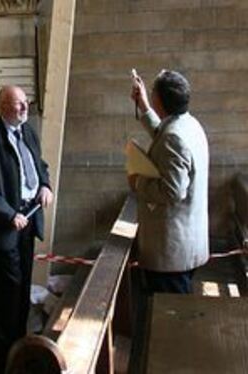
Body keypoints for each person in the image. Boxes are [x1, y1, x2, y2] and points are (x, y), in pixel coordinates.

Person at [128, 70, 209, 373]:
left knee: (171, 321)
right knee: (177, 314)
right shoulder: (188, 124)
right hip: (186, 243)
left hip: (171, 248)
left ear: (162, 99)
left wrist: (138, 181)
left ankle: (176, 365)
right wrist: (143, 105)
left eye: (153, 92)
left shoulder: (175, 135)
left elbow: (173, 190)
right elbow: (164, 136)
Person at [0, 85, 54, 373]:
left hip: (29, 222)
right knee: (8, 294)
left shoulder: (28, 132)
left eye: (25, 102)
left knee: (22, 289)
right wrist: (8, 214)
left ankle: (20, 352)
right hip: (6, 230)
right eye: (18, 104)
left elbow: (40, 165)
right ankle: (5, 360)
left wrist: (45, 185)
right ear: (2, 107)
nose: (24, 108)